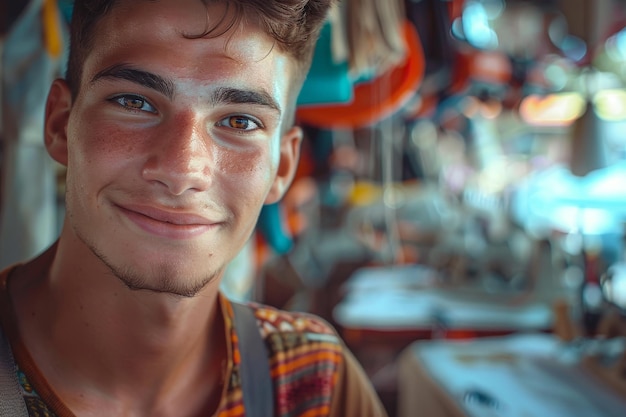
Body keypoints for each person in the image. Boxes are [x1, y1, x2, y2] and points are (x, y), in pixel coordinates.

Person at [0, 0, 388, 416]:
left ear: (284, 167)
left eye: (240, 122)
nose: (182, 170)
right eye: (134, 102)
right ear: (60, 123)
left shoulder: (315, 385)